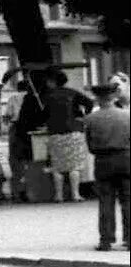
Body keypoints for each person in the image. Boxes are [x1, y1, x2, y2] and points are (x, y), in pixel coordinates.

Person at [84, 80, 130, 251]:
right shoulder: (127, 116)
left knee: (105, 201)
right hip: (126, 159)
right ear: (114, 96)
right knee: (128, 200)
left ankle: (106, 240)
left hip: (103, 161)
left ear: (97, 98)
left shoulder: (90, 119)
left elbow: (90, 145)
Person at [43, 71, 94, 203]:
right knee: (74, 166)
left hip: (55, 132)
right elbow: (89, 103)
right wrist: (83, 117)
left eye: (49, 81)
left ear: (53, 81)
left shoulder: (48, 96)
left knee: (57, 166)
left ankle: (58, 195)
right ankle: (75, 194)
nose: (47, 83)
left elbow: (44, 114)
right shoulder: (73, 92)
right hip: (74, 131)